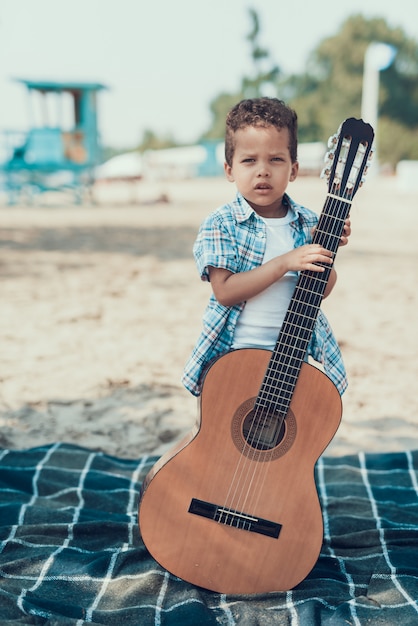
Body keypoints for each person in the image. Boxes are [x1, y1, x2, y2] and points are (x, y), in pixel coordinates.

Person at [182, 97, 350, 398]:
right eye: (249, 160)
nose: (263, 171)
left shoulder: (309, 222)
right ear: (229, 169)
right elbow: (225, 292)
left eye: (276, 159)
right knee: (218, 436)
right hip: (233, 355)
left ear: (294, 169)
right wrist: (285, 263)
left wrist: (327, 248)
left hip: (291, 360)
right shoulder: (221, 223)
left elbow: (321, 290)